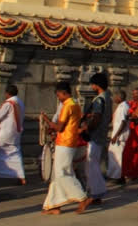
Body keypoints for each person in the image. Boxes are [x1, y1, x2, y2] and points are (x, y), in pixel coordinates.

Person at [41, 82, 93, 214]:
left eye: (58, 94)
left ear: (63, 92)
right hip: (69, 142)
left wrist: (46, 119)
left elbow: (60, 127)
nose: (58, 97)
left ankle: (82, 198)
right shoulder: (75, 105)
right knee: (61, 173)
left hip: (65, 142)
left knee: (61, 173)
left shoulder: (68, 105)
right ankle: (53, 205)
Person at [82, 73, 112, 205]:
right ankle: (97, 191)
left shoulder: (99, 99)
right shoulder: (108, 98)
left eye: (93, 84)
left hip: (95, 134)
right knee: (94, 164)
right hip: (102, 133)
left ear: (96, 85)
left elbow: (97, 117)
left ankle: (95, 192)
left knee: (91, 164)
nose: (92, 86)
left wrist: (87, 128)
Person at [0, 84, 26, 185]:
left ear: (7, 93)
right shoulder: (20, 102)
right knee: (15, 153)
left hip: (5, 133)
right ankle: (21, 176)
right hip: (16, 133)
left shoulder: (8, 104)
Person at [107, 90, 130, 184]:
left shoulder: (123, 107)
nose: (114, 99)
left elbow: (123, 122)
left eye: (115, 97)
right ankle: (116, 175)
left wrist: (116, 135)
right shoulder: (121, 106)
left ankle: (118, 177)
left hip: (119, 137)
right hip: (117, 135)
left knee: (117, 157)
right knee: (113, 155)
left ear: (119, 97)